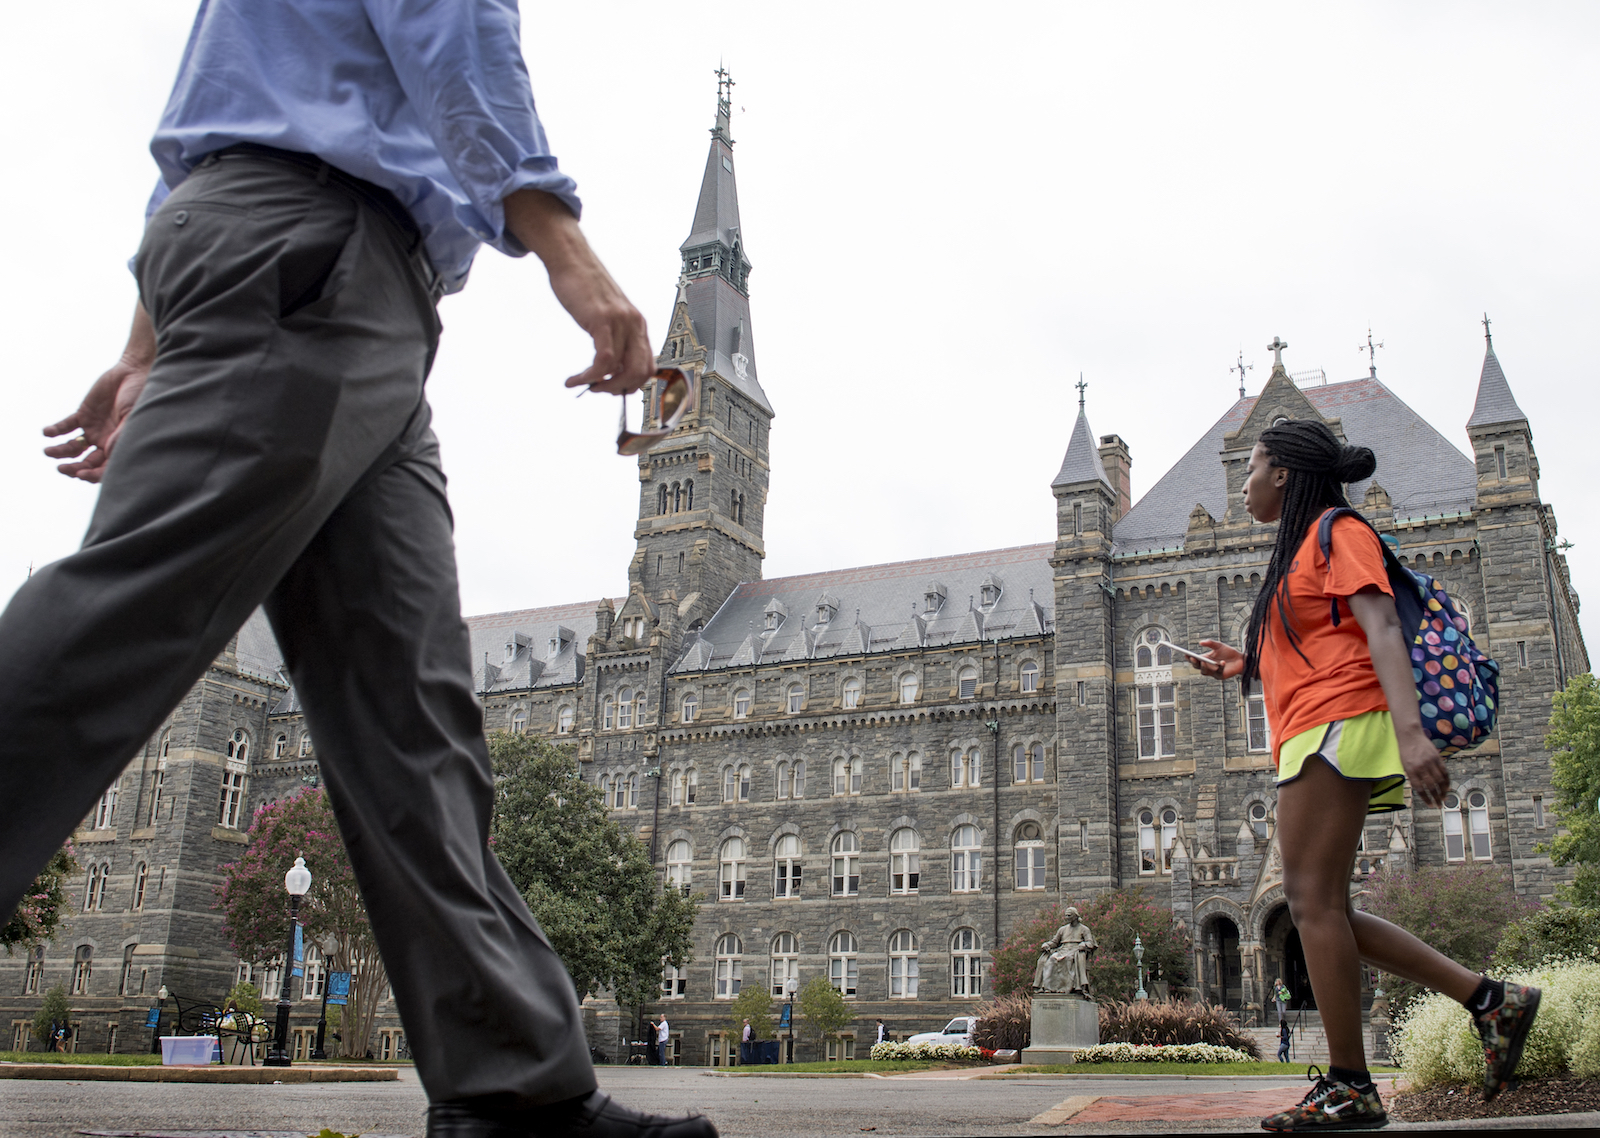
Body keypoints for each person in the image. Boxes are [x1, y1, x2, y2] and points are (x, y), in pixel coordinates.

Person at [0, 3, 714, 1137]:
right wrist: (563, 247)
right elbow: (448, 24)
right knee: (131, 606)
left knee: (411, 717)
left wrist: (143, 347)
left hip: (344, 277)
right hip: (319, 252)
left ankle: (511, 1088)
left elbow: (197, 129)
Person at [1195, 419, 1539, 1132]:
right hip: (1311, 732)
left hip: (1338, 727)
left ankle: (1352, 1085)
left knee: (1309, 903)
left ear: (1284, 473)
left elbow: (1380, 625)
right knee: (1327, 909)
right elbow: (1321, 640)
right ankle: (1489, 1000)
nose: (1246, 483)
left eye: (1251, 468)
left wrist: (1413, 737)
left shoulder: (1337, 531)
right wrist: (1244, 663)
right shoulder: (1296, 551)